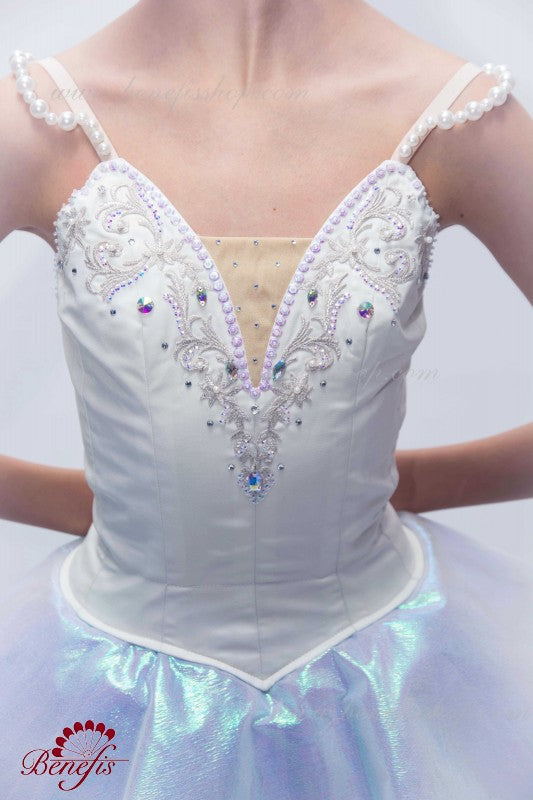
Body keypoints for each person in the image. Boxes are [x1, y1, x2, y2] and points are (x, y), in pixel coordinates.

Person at [1, 1, 532, 797]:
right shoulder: (39, 122)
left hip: (384, 677)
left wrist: (421, 482)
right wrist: (102, 506)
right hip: (107, 681)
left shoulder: (456, 118)